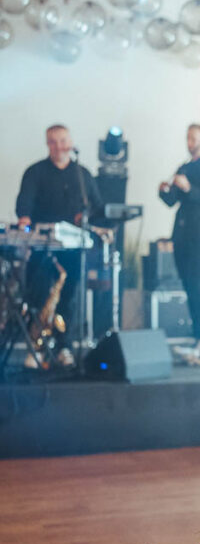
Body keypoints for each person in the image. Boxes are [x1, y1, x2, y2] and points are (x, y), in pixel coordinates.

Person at [15, 123, 105, 367]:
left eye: (63, 141)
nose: (58, 146)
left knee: (70, 298)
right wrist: (25, 220)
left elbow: (97, 207)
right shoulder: (35, 172)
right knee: (38, 295)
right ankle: (36, 347)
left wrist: (86, 218)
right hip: (43, 247)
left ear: (70, 142)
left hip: (73, 248)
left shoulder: (82, 175)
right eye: (53, 142)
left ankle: (65, 346)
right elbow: (24, 204)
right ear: (48, 145)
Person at [158, 123, 200, 358]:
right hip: (181, 235)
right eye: (188, 138)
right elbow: (171, 201)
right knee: (187, 285)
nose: (190, 142)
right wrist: (163, 191)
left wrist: (188, 187)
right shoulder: (183, 167)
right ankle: (197, 336)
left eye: (194, 138)